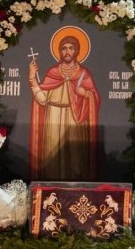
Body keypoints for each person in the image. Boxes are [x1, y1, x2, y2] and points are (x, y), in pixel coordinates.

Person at [27, 31, 101, 180]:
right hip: (53, 117)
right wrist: (32, 77)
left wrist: (85, 93)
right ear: (60, 51)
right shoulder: (53, 72)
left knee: (76, 159)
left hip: (75, 119)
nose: (67, 51)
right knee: (52, 157)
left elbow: (94, 98)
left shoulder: (83, 73)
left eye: (71, 48)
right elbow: (42, 99)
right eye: (64, 48)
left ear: (77, 51)